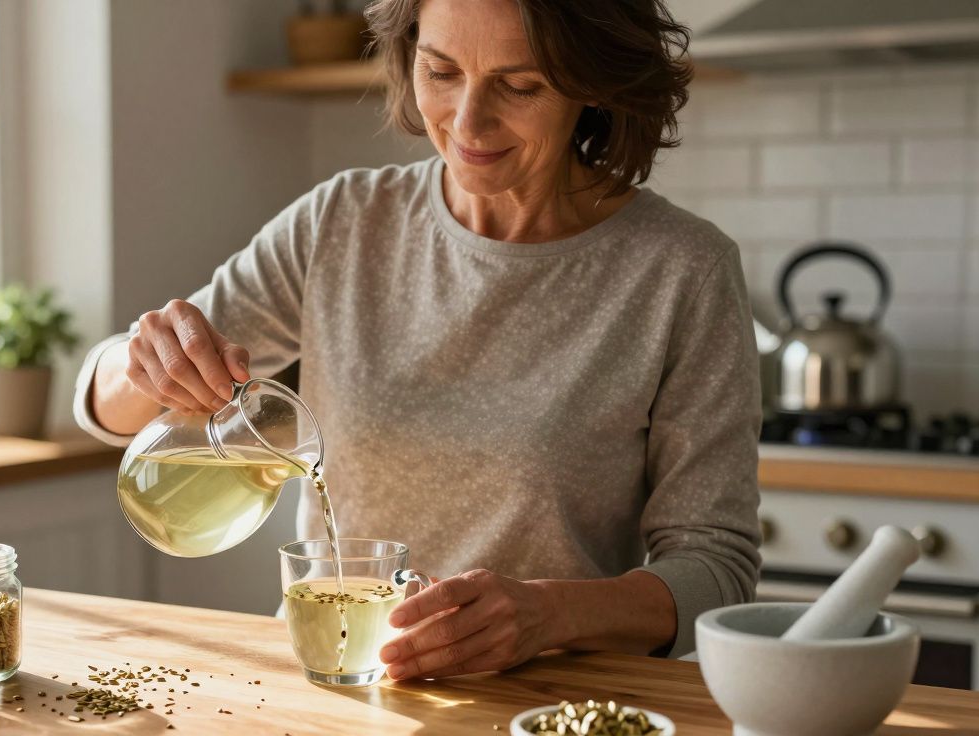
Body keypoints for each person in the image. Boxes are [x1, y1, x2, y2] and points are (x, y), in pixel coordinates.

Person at [74, 0, 761, 680]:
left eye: (520, 85)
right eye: (441, 72)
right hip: (338, 688)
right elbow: (105, 410)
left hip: (549, 706)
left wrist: (549, 615)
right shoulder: (341, 224)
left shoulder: (682, 270)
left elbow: (715, 567)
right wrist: (145, 361)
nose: (467, 121)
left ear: (594, 83)